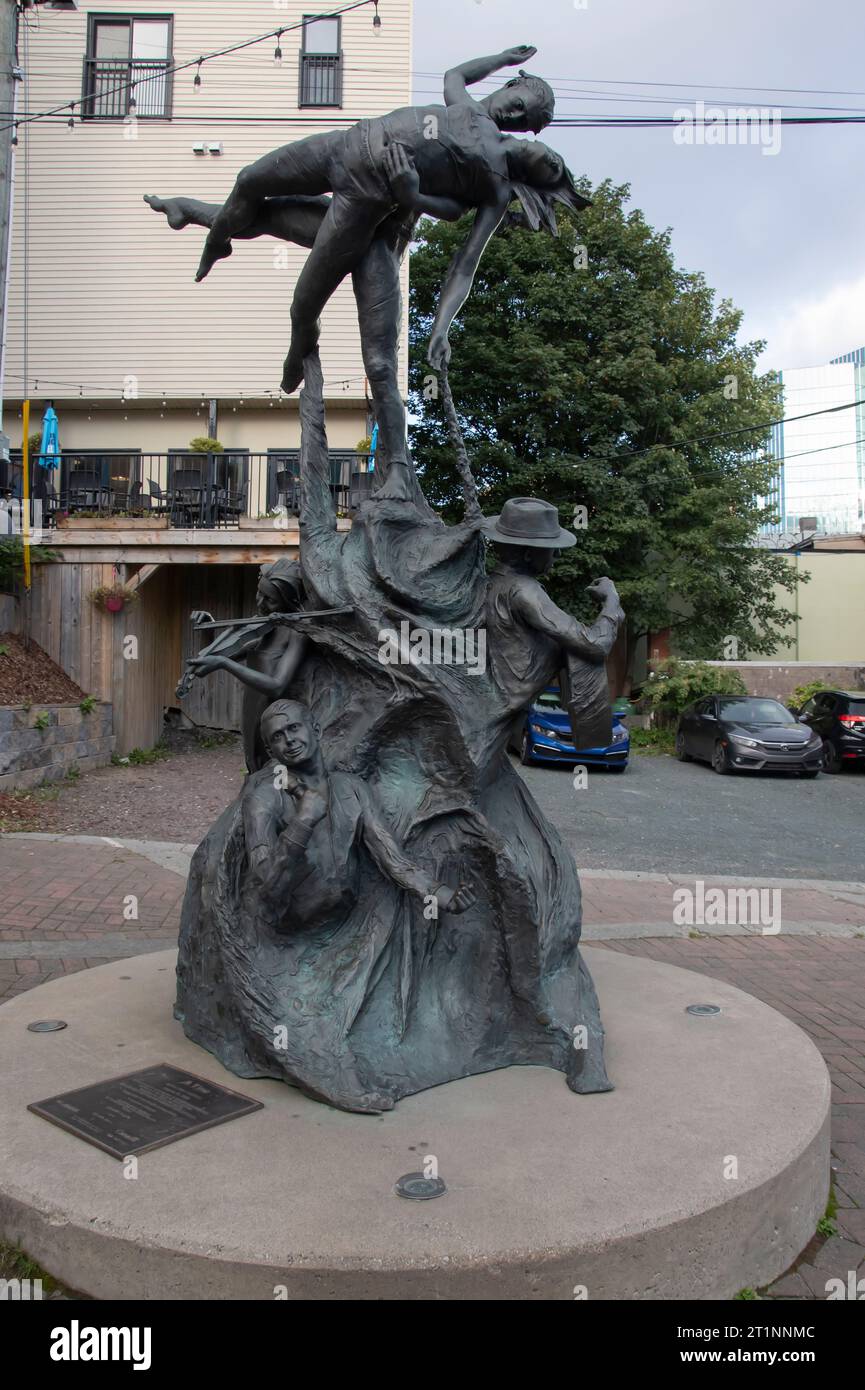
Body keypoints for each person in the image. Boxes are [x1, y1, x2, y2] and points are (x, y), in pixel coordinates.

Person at [243, 699, 476, 933]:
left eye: (294, 728)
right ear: (270, 751)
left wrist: (439, 894)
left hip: (351, 923)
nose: (289, 740)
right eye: (277, 736)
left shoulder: (351, 788)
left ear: (316, 729)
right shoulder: (263, 800)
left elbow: (390, 857)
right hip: (291, 934)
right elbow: (265, 891)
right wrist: (303, 822)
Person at [481, 497, 625, 758]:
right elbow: (595, 645)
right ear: (527, 552)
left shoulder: (490, 585)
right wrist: (612, 602)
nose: (557, 554)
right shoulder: (524, 590)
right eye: (550, 548)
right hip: (500, 715)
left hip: (490, 714)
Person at [183, 559, 309, 773]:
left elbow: (277, 685)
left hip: (278, 718)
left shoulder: (297, 633)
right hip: (252, 709)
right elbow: (229, 652)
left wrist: (223, 664)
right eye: (260, 593)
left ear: (287, 601)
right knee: (253, 767)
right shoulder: (260, 625)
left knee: (273, 773)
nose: (261, 603)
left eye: (270, 600)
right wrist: (208, 630)